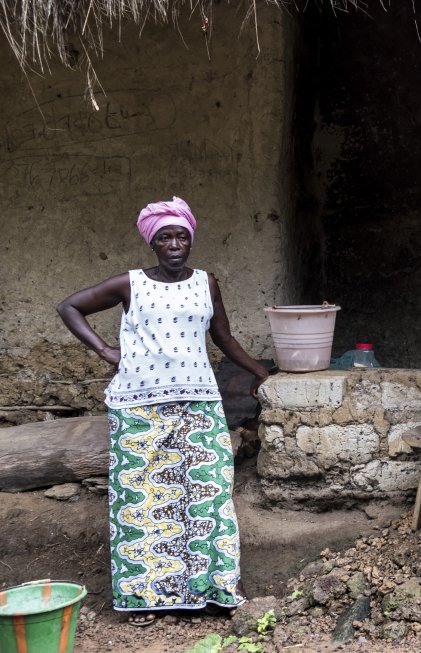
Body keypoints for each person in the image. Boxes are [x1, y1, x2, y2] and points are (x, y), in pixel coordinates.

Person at [56, 197, 269, 626]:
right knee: (146, 502)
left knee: (208, 496)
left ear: (191, 241)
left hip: (199, 403)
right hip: (139, 407)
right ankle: (145, 597)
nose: (175, 243)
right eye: (165, 237)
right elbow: (69, 306)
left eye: (182, 236)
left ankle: (219, 586)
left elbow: (222, 336)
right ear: (153, 242)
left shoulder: (206, 283)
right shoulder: (129, 284)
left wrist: (259, 369)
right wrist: (105, 350)